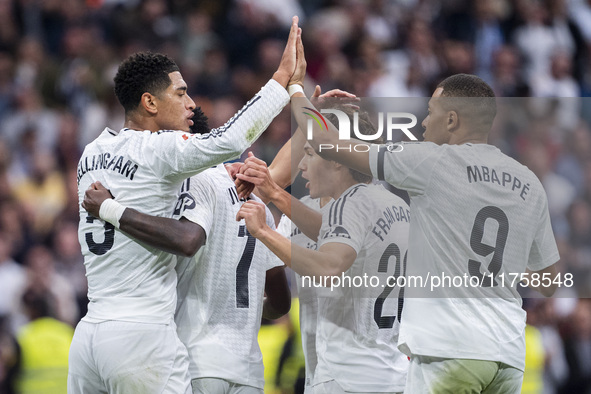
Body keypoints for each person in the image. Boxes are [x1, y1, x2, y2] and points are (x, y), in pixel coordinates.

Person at [68, 16, 302, 394]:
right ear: (149, 102)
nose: (190, 103)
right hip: (143, 336)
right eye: (180, 93)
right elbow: (228, 140)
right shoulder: (161, 149)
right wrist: (282, 81)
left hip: (89, 335)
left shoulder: (91, 154)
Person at [298, 73, 560, 393]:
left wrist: (297, 94)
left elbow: (331, 145)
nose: (423, 122)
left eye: (431, 111)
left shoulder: (430, 161)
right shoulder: (528, 181)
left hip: (449, 352)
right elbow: (549, 282)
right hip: (508, 356)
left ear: (451, 120)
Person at [237, 105, 410, 393]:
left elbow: (328, 266)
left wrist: (265, 228)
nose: (302, 165)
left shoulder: (352, 206)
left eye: (310, 154)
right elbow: (326, 231)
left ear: (338, 159)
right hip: (392, 373)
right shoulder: (397, 206)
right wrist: (276, 196)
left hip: (346, 374)